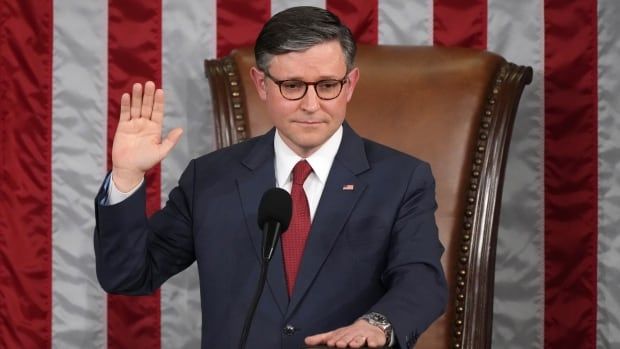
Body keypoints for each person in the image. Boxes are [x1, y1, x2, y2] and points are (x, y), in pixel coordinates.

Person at [94, 6, 447, 348]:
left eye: (327, 85)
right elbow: (128, 275)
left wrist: (377, 325)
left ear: (350, 84)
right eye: (292, 86)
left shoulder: (401, 179)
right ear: (261, 84)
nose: (311, 105)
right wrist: (126, 177)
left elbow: (422, 281)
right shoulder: (211, 178)